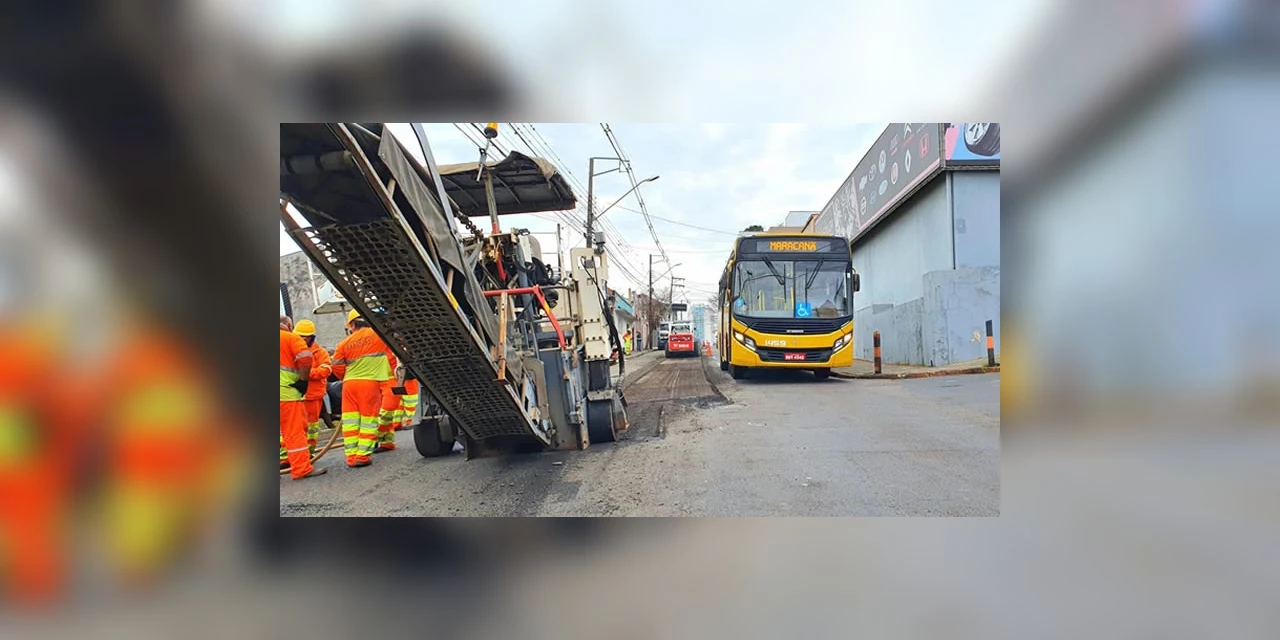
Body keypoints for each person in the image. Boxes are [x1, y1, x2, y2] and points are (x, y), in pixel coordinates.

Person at [331, 310, 396, 467]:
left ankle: (351, 456)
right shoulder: (379, 335)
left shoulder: (344, 343)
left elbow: (336, 366)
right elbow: (394, 351)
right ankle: (362, 456)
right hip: (369, 383)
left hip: (349, 384)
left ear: (353, 325)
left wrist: (346, 377)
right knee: (368, 420)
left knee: (350, 422)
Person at [280, 315, 325, 479]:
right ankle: (301, 468)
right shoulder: (290, 338)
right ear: (289, 325)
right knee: (294, 432)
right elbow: (305, 358)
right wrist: (304, 380)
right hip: (285, 393)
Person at [293, 319, 332, 457]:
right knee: (294, 428)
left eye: (306, 336)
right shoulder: (291, 349)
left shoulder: (320, 352)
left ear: (312, 337)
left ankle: (307, 453)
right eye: (300, 336)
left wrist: (305, 373)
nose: (303, 339)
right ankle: (288, 456)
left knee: (311, 427)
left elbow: (326, 370)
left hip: (312, 396)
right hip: (294, 395)